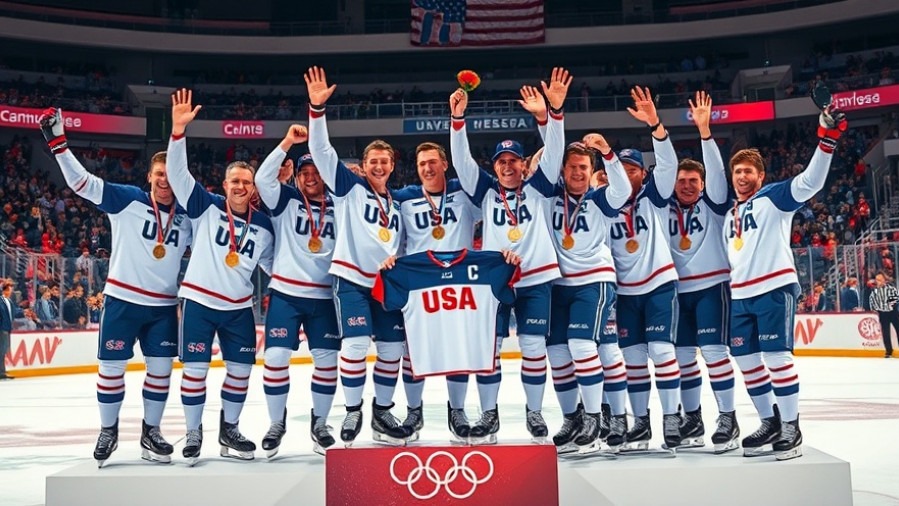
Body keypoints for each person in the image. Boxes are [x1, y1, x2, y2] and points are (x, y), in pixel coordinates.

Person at [39, 107, 192, 466]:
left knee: (160, 370)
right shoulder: (126, 199)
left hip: (163, 307)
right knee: (111, 368)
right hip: (122, 299)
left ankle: (150, 433)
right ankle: (108, 431)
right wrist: (59, 145)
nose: (164, 180)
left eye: (170, 174)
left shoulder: (188, 217)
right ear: (149, 176)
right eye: (158, 174)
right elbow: (82, 184)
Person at [449, 68, 571, 442]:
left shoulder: (541, 187)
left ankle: (534, 412)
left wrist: (548, 114)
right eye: (501, 161)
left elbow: (554, 151)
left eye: (513, 160)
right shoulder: (484, 191)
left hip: (536, 279)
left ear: (523, 164)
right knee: (489, 348)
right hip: (495, 280)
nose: (506, 165)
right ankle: (490, 414)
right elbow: (461, 162)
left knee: (534, 346)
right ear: (495, 166)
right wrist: (457, 120)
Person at [724, 103, 848, 460]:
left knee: (777, 359)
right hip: (740, 296)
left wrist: (826, 142)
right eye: (738, 172)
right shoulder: (729, 215)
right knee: (747, 362)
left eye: (748, 171)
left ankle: (792, 425)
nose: (742, 177)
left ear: (760, 176)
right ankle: (770, 421)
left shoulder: (773, 197)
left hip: (774, 289)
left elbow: (811, 182)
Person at [167, 89, 275, 464]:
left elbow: (275, 265)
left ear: (253, 187)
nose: (241, 187)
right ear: (224, 185)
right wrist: (178, 131)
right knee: (195, 371)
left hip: (238, 309)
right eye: (235, 182)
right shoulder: (205, 207)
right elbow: (177, 175)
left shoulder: (263, 225)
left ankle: (229, 430)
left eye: (247, 182)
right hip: (198, 303)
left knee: (241, 371)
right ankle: (194, 432)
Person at [306, 67, 411, 446]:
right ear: (363, 166)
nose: (379, 167)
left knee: (391, 349)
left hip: (386, 285)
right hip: (351, 279)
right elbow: (320, 151)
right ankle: (353, 411)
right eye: (373, 162)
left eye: (385, 162)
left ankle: (382, 413)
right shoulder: (348, 187)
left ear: (392, 164)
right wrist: (317, 110)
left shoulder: (397, 202)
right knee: (353, 345)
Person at [254, 127, 341, 457]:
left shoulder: (340, 203)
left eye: (315, 171)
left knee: (328, 360)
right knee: (275, 357)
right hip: (286, 294)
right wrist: (287, 143)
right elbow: (263, 180)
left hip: (324, 296)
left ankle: (320, 423)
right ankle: (277, 423)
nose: (309, 177)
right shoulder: (286, 200)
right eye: (304, 172)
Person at [607, 87, 683, 451]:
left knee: (662, 352)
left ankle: (671, 418)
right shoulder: (602, 205)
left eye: (633, 169)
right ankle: (640, 423)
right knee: (634, 359)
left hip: (658, 286)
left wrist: (655, 124)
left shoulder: (654, 196)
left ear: (642, 173)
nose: (626, 175)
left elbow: (668, 165)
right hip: (623, 292)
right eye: (619, 170)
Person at [391, 141, 483, 441]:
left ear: (445, 164)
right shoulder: (403, 198)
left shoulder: (466, 193)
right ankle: (413, 411)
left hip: (461, 283)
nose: (427, 168)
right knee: (413, 352)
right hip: (419, 284)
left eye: (432, 162)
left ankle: (457, 411)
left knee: (458, 350)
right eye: (421, 164)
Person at [545, 135, 630, 453]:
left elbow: (622, 190)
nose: (577, 172)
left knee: (583, 346)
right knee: (557, 354)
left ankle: (596, 416)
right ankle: (573, 417)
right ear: (563, 170)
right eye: (572, 167)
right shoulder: (549, 196)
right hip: (557, 285)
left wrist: (607, 152)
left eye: (583, 167)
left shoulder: (600, 200)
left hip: (595, 281)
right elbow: (539, 165)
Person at [667, 91, 739, 453]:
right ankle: (691, 416)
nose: (688, 185)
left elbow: (717, 173)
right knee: (681, 358)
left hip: (712, 287)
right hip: (677, 292)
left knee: (713, 352)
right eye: (682, 180)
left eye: (694, 181)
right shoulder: (661, 208)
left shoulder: (714, 205)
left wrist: (705, 132)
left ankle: (728, 416)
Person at [868, 273, 898, 358]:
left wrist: (888, 305)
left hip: (893, 312)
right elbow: (872, 301)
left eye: (880, 279)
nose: (878, 281)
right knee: (885, 332)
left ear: (884, 280)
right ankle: (888, 350)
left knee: (898, 330)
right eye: (877, 279)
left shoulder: (891, 289)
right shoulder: (875, 291)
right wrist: (875, 308)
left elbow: (895, 299)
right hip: (883, 313)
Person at [0, 282, 14, 380]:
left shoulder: (9, 301)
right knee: (2, 351)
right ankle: (1, 372)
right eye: (9, 290)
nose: (11, 292)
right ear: (5, 291)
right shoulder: (1, 302)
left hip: (7, 328)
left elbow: (14, 312)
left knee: (4, 351)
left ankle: (2, 371)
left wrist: (24, 312)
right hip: (2, 328)